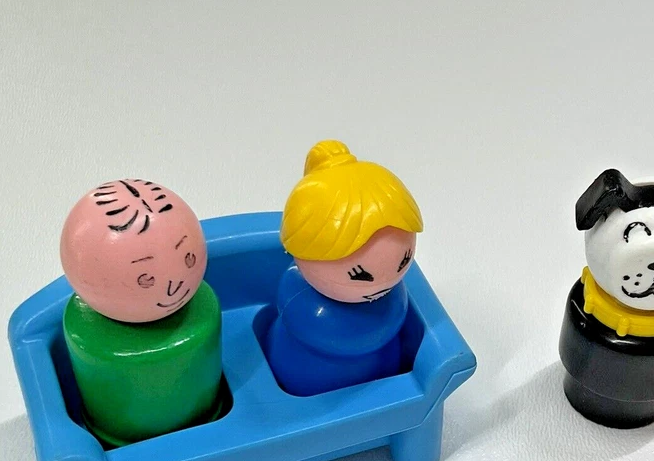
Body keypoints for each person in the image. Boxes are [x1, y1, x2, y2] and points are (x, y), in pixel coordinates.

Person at [59, 179, 225, 445]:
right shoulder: (85, 333)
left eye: (188, 258)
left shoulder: (204, 310)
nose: (174, 285)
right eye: (146, 278)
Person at [265, 141, 422, 396]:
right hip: (305, 380)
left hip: (381, 382)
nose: (382, 282)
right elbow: (336, 334)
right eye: (359, 275)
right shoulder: (301, 299)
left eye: (404, 261)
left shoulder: (394, 297)